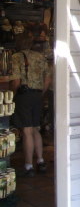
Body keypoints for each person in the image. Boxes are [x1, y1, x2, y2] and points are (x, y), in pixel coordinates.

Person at [10, 31, 51, 177]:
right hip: (37, 95)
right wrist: (41, 93)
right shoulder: (40, 57)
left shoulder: (17, 57)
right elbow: (47, 78)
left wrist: (13, 95)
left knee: (26, 131)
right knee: (35, 129)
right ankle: (40, 161)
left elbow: (16, 81)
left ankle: (28, 166)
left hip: (24, 96)